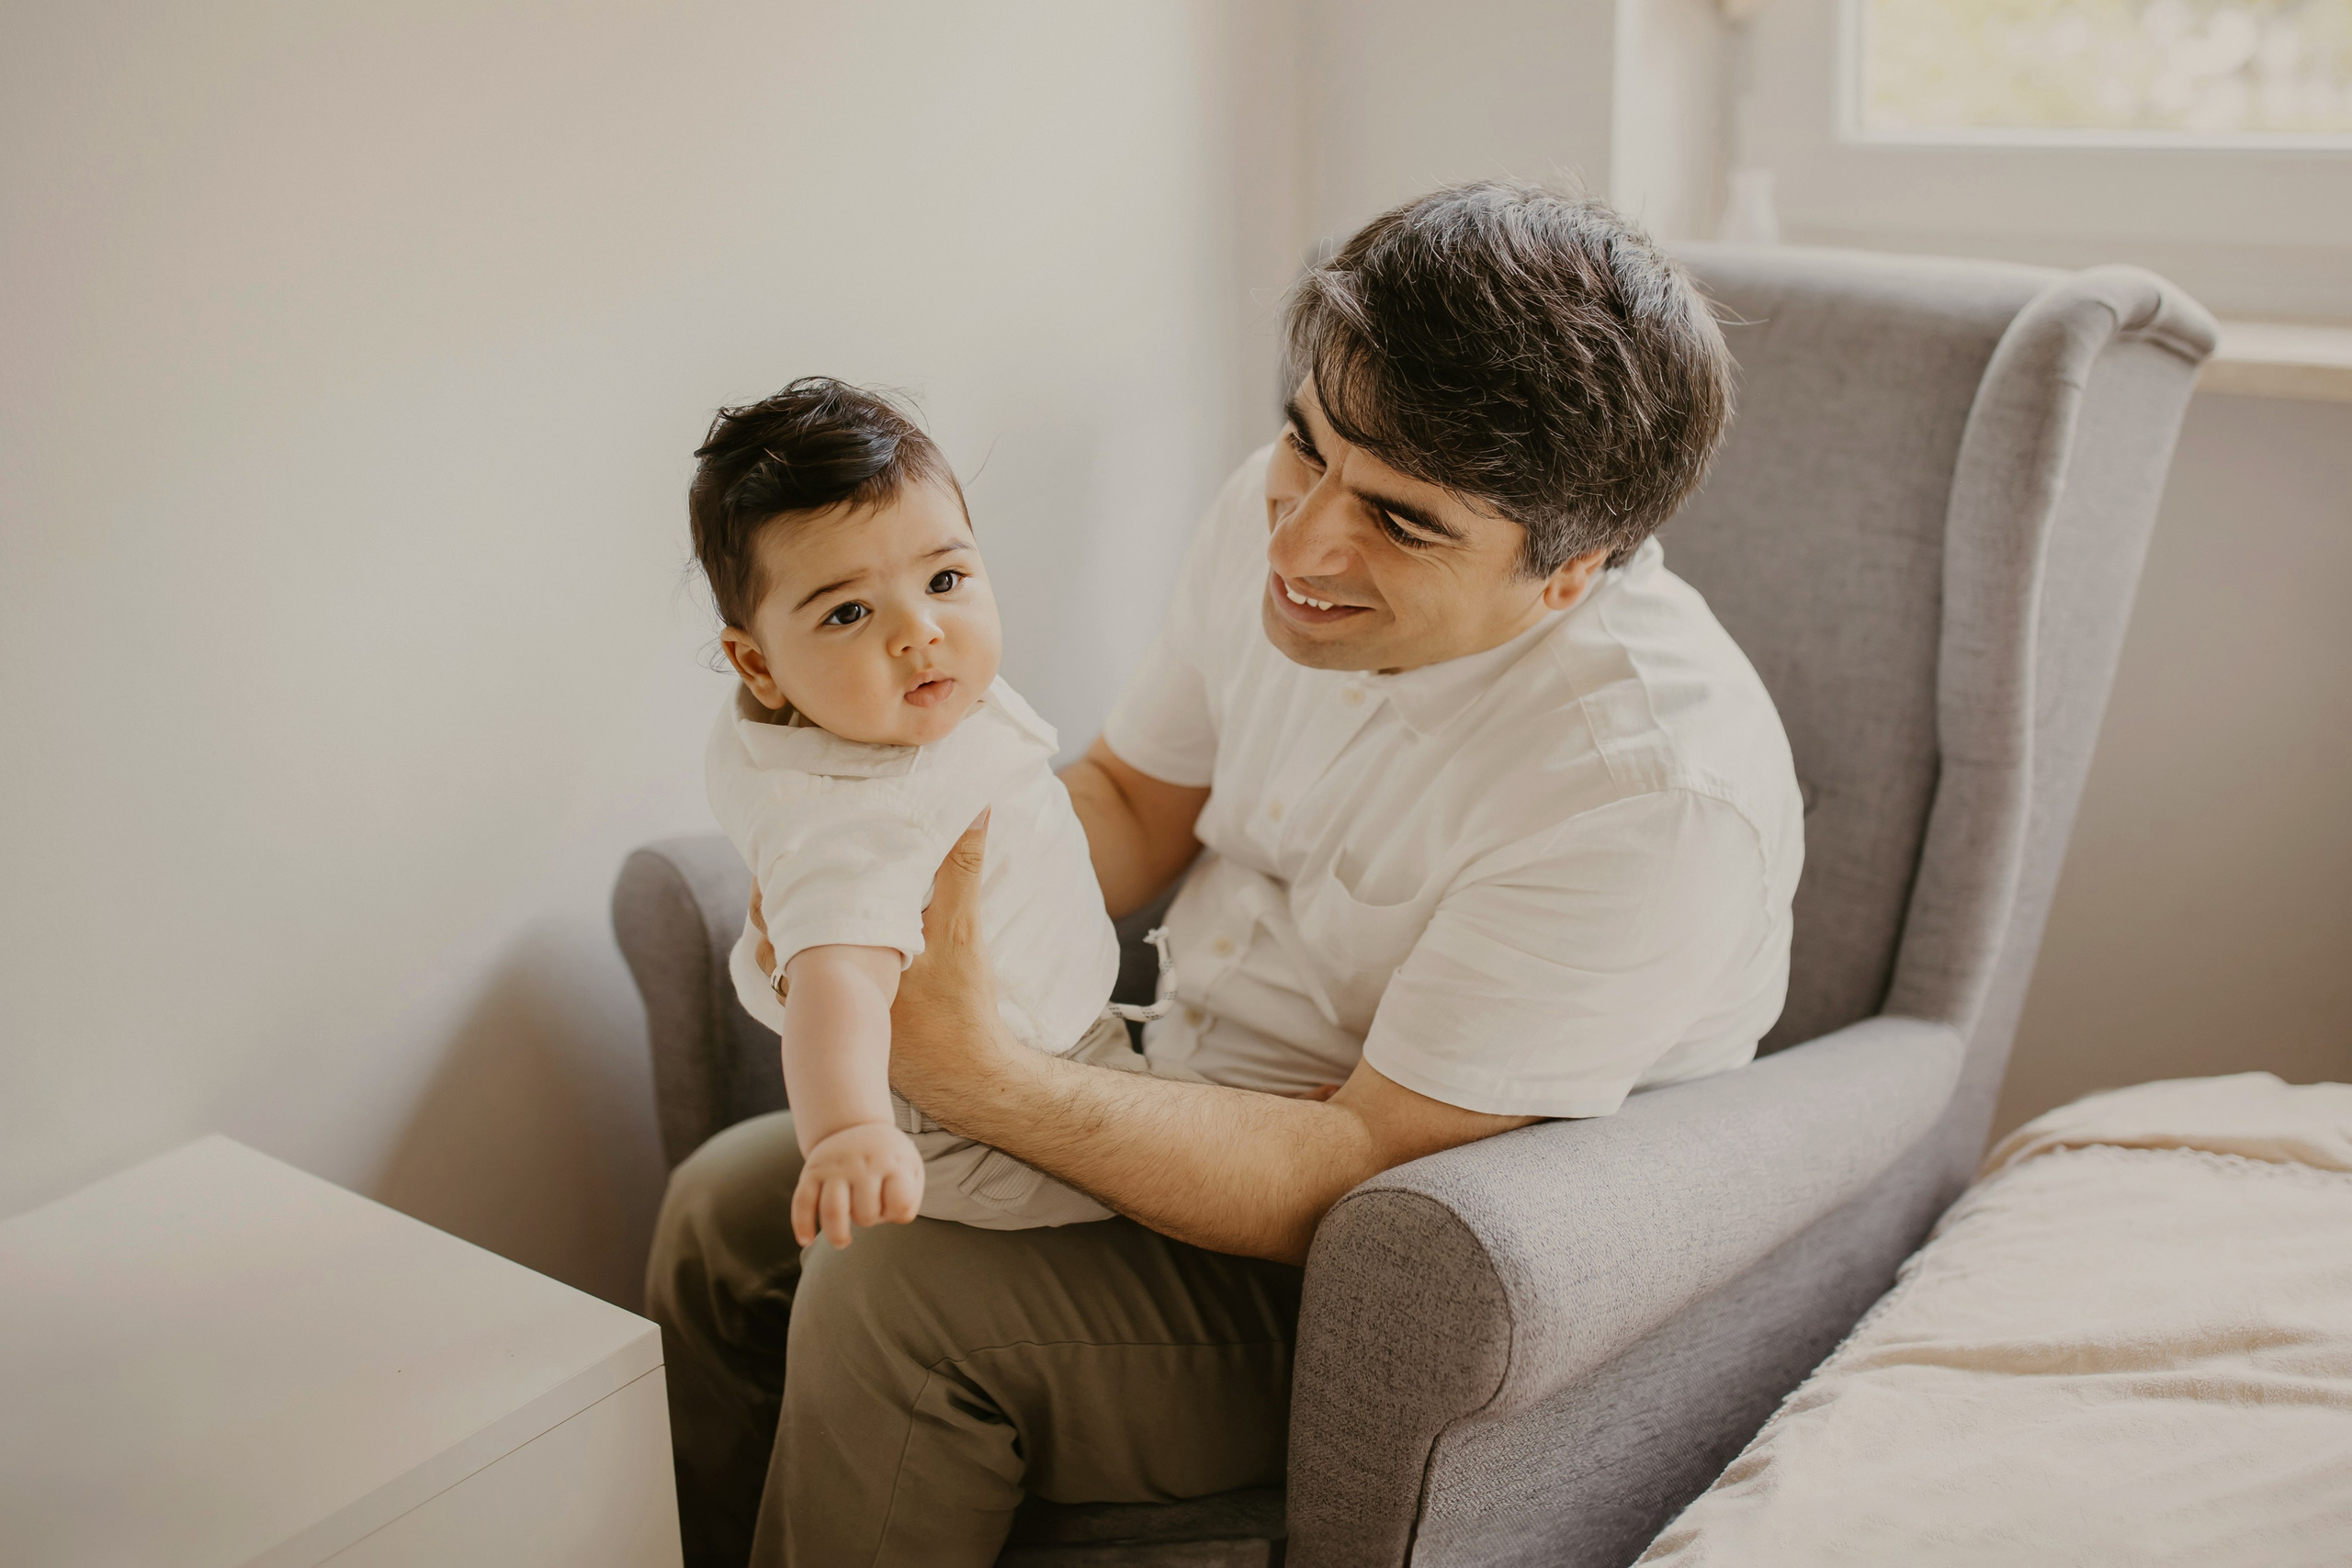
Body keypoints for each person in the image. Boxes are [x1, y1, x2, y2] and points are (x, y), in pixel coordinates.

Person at [645, 180, 1804, 1568]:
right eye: (1305, 445)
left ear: (1569, 575)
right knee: (724, 1207)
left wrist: (973, 1072)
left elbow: (1357, 1161)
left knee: (888, 1292)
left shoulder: (1644, 795)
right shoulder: (1287, 530)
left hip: (1378, 1264)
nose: (1303, 541)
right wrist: (899, 890)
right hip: (1169, 1079)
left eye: (1401, 519)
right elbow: (1133, 801)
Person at [692, 377, 1191, 1247]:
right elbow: (836, 980)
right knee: (1172, 1201)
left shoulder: (901, 707)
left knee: (1185, 1124)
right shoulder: (853, 820)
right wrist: (849, 1134)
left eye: (946, 576)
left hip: (1057, 1047)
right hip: (973, 1141)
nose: (918, 630)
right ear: (758, 664)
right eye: (849, 611)